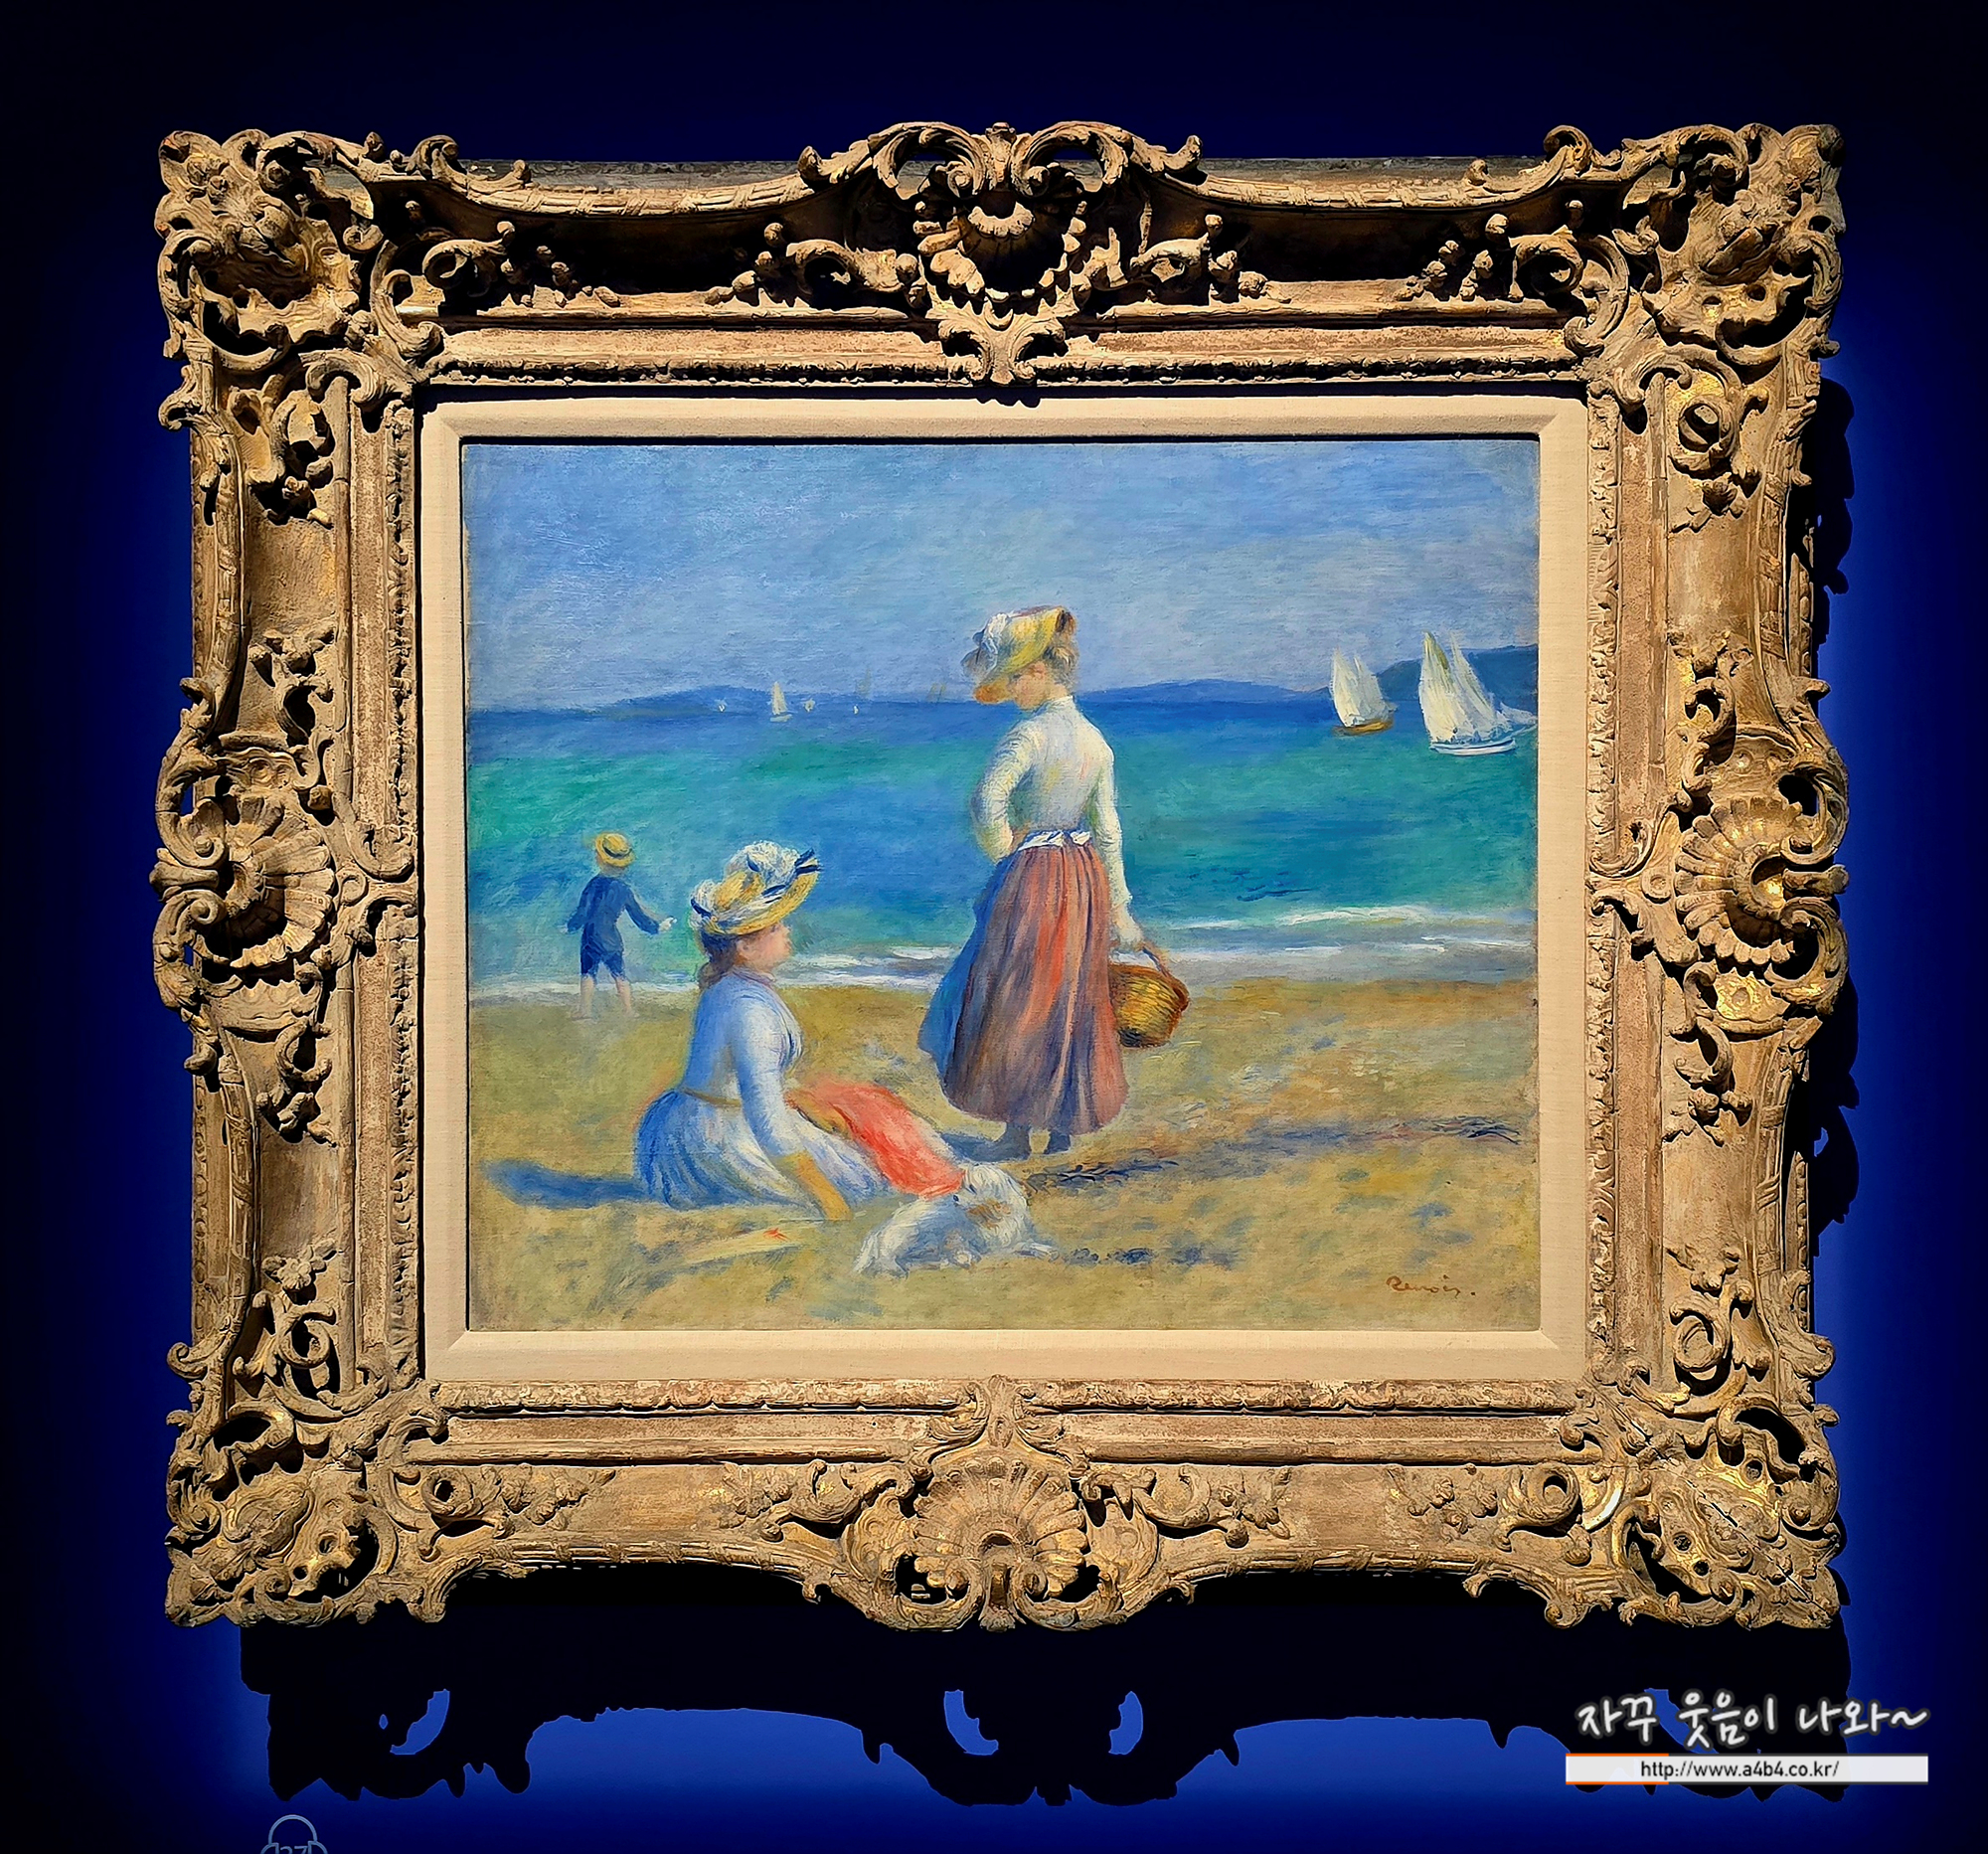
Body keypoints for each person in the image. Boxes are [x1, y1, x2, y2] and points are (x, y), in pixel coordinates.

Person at [918, 606, 1143, 1158]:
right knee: (1070, 997)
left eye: (1014, 678)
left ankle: (1017, 1133)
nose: (1010, 690)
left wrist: (1006, 851)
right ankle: (1062, 1128)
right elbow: (1108, 829)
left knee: (1018, 995)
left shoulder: (1030, 736)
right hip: (1083, 877)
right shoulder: (1095, 741)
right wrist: (1119, 906)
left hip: (1034, 877)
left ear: (1040, 672)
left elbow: (986, 801)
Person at [634, 843, 886, 1221]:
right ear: (746, 947)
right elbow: (767, 1121)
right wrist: (829, 1201)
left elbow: (745, 1078)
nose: (787, 930)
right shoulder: (750, 1009)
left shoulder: (731, 986)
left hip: (684, 1125)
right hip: (717, 1141)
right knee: (864, 1179)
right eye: (776, 926)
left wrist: (801, 1101)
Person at [566, 832, 671, 1017]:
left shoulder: (593, 885)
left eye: (597, 853)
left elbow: (583, 912)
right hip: (612, 939)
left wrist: (570, 927)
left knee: (588, 974)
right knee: (619, 975)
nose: (595, 855)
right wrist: (657, 927)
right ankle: (629, 1010)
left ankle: (585, 1010)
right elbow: (638, 916)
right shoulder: (623, 889)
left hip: (591, 938)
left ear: (601, 859)